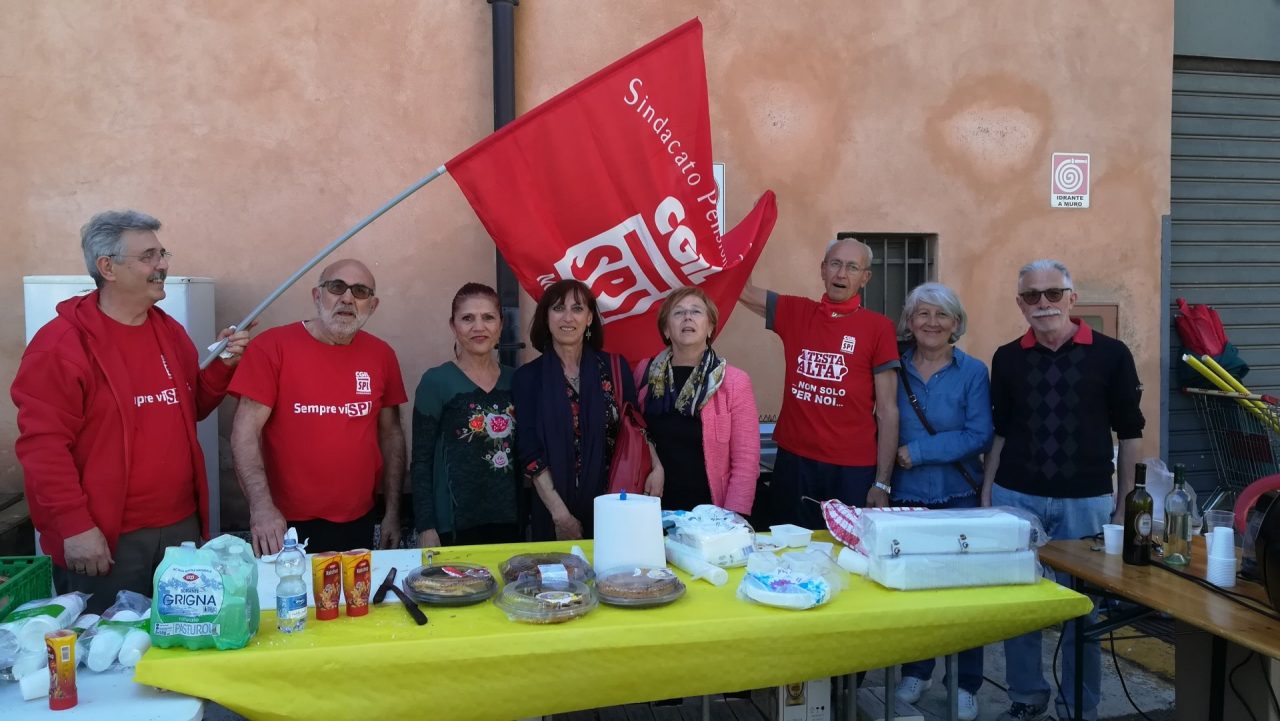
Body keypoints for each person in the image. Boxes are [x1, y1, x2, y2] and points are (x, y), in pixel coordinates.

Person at [11, 210, 251, 613]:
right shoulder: (61, 346)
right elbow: (43, 447)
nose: (163, 265)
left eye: (162, 253)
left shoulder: (167, 330)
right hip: (107, 539)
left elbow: (189, 408)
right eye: (148, 256)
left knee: (179, 644)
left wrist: (222, 365)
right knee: (111, 656)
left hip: (180, 528)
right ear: (108, 267)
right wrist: (75, 527)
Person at [984, 259, 1145, 721]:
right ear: (1020, 304)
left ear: (1072, 297)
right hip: (1016, 497)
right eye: (1032, 296)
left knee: (1085, 614)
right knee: (1019, 607)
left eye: (1053, 293)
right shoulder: (1006, 357)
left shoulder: (1112, 355)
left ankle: (1079, 708)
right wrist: (988, 495)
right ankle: (1026, 697)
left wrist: (1124, 507)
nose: (1043, 304)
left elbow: (1130, 435)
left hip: (1088, 504)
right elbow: (1000, 432)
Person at [230, 259, 407, 556]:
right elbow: (244, 433)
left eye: (360, 291)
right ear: (317, 296)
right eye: (337, 287)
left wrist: (392, 513)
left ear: (372, 306)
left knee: (354, 602)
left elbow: (392, 436)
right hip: (285, 524)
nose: (348, 298)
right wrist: (261, 509)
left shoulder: (382, 355)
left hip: (359, 519)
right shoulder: (272, 347)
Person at [740, 238, 900, 529]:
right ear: (823, 270)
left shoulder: (879, 328)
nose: (842, 274)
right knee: (789, 549)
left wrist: (882, 483)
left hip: (852, 468)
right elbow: (743, 290)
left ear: (866, 277)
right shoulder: (796, 311)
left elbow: (888, 410)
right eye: (836, 264)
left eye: (852, 267)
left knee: (847, 554)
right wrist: (752, 238)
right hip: (795, 461)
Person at [889, 283, 992, 721]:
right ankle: (918, 670)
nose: (931, 323)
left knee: (965, 598)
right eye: (922, 314)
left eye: (941, 315)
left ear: (956, 323)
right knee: (914, 594)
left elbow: (979, 433)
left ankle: (965, 682)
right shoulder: (894, 369)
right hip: (905, 500)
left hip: (959, 498)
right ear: (909, 321)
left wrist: (921, 452)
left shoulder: (972, 372)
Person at [512, 279, 662, 541]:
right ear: (546, 317)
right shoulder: (527, 378)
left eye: (577, 309)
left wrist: (657, 467)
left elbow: (636, 426)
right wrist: (561, 516)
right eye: (558, 308)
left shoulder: (615, 367)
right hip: (554, 511)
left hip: (616, 506)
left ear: (590, 318)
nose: (568, 317)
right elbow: (530, 453)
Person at [633, 287, 760, 514]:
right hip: (649, 504)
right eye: (678, 312)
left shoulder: (734, 381)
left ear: (710, 327)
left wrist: (732, 517)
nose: (688, 317)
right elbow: (635, 432)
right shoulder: (645, 372)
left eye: (696, 312)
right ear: (666, 329)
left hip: (709, 512)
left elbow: (746, 461)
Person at [411, 283, 519, 546]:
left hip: (509, 522)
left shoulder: (517, 381)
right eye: (468, 318)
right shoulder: (436, 381)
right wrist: (426, 527)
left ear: (501, 325)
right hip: (452, 526)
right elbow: (421, 460)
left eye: (488, 318)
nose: (478, 327)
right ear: (453, 326)